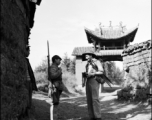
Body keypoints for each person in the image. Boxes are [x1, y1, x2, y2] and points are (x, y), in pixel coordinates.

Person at [82, 52, 104, 120]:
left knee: (95, 99)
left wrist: (93, 74)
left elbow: (101, 71)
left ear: (91, 56)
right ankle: (91, 116)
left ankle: (97, 117)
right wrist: (83, 81)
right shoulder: (87, 64)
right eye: (85, 57)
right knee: (89, 100)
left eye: (87, 56)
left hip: (94, 80)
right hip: (88, 81)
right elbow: (86, 73)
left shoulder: (97, 62)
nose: (86, 58)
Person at [25, 45, 38, 116]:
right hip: (27, 82)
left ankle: (28, 113)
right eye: (28, 51)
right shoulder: (23, 60)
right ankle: (27, 113)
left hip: (29, 82)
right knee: (27, 98)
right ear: (25, 50)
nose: (29, 52)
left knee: (29, 97)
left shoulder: (26, 60)